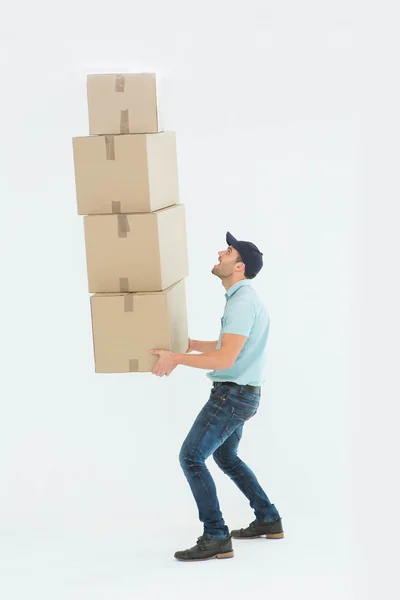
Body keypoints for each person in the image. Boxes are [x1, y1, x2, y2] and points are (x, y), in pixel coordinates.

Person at [150, 231, 283, 562]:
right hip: (242, 395)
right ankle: (268, 518)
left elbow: (225, 361)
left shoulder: (241, 303)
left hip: (232, 396)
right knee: (226, 458)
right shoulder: (243, 300)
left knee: (191, 457)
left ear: (239, 266)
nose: (220, 253)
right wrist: (193, 345)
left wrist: (176, 359)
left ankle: (216, 536)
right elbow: (231, 349)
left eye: (228, 251)